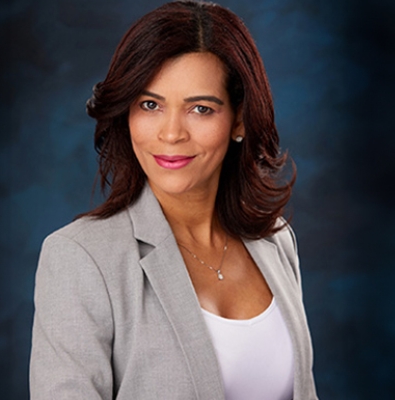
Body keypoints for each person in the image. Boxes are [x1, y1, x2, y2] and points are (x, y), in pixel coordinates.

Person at [29, 1, 317, 398]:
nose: (171, 133)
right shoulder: (81, 259)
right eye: (151, 105)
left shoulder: (275, 240)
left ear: (238, 120)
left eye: (200, 108)